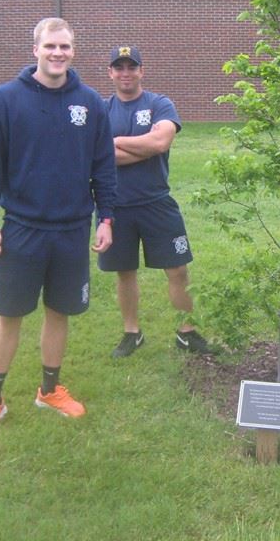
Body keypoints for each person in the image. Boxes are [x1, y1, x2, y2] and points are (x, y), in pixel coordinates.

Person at [0, 18, 117, 440]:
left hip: (72, 230)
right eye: (50, 46)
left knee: (59, 311)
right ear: (35, 49)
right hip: (23, 228)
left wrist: (106, 218)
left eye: (64, 46)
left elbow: (104, 167)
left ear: (73, 50)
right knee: (10, 315)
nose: (58, 53)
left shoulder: (90, 103)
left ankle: (49, 391)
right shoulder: (5, 100)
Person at [97, 45, 211, 357]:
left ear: (141, 71)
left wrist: (115, 142)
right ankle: (132, 333)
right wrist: (140, 148)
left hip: (157, 203)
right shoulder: (101, 110)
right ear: (110, 73)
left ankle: (187, 332)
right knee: (125, 272)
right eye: (119, 67)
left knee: (178, 270)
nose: (125, 73)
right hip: (115, 206)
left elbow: (160, 142)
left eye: (131, 67)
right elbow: (96, 156)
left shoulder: (159, 104)